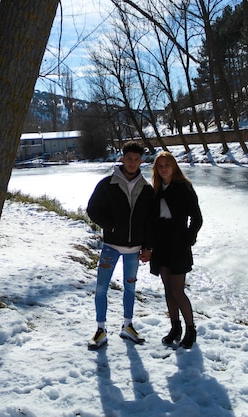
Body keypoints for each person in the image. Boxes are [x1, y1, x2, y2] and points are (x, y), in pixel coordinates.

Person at [86, 141, 154, 349]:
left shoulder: (147, 189)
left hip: (134, 250)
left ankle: (127, 326)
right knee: (100, 288)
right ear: (122, 158)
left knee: (130, 289)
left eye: (136, 159)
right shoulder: (107, 184)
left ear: (141, 161)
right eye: (129, 158)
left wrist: (148, 247)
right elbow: (93, 209)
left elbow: (151, 221)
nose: (132, 163)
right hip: (111, 247)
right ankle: (100, 330)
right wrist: (111, 226)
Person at [149, 151, 203, 349]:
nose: (164, 169)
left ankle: (191, 329)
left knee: (177, 290)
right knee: (167, 290)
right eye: (160, 166)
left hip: (178, 245)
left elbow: (197, 219)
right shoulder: (156, 189)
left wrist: (187, 239)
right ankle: (175, 328)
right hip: (161, 245)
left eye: (167, 165)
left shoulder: (184, 188)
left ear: (174, 166)